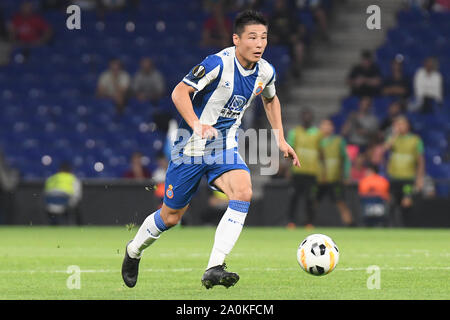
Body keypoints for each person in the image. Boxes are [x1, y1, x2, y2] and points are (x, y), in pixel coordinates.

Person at [121, 10, 300, 290]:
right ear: (236, 39)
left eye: (263, 37)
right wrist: (196, 124)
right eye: (252, 37)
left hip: (223, 145)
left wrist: (280, 139)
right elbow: (179, 92)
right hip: (189, 147)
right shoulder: (217, 63)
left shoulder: (265, 71)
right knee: (170, 217)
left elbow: (271, 98)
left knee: (243, 191)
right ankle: (133, 251)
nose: (259, 44)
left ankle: (214, 266)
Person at [383, 116, 425, 226]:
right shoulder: (393, 139)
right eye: (398, 124)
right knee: (392, 203)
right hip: (394, 177)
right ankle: (392, 229)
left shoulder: (415, 140)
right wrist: (394, 135)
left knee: (406, 203)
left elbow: (420, 161)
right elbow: (385, 149)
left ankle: (408, 228)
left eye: (402, 124)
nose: (400, 127)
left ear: (407, 125)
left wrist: (420, 178)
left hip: (408, 178)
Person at [286, 109, 322, 229]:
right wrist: (287, 169)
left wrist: (323, 171)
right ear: (301, 118)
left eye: (309, 116)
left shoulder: (318, 133)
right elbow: (289, 151)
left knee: (310, 199)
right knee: (294, 197)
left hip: (312, 172)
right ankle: (291, 222)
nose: (307, 118)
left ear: (312, 118)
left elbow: (321, 153)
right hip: (297, 171)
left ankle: (309, 222)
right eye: (304, 116)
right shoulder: (294, 132)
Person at [317, 119, 354, 226]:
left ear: (332, 128)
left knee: (341, 202)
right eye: (324, 125)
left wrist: (346, 175)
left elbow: (346, 159)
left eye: (329, 125)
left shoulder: (339, 141)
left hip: (335, 178)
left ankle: (350, 224)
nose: (326, 128)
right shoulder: (316, 141)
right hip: (319, 179)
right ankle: (308, 223)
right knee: (313, 202)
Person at [268, 0, 307, 78]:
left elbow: (300, 29)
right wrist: (271, 37)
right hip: (277, 42)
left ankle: (296, 69)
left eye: (280, 2)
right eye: (277, 3)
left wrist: (296, 36)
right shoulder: (272, 17)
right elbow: (266, 32)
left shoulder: (291, 15)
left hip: (289, 40)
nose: (279, 4)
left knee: (299, 47)